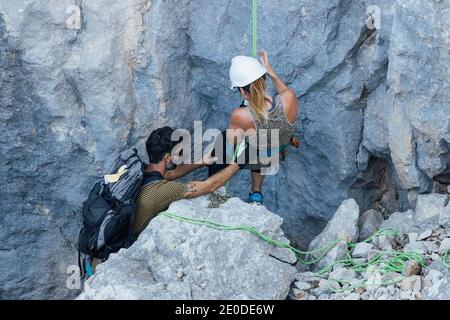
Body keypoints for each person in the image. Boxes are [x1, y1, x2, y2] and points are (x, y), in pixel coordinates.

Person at [133, 127, 244, 236]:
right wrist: (239, 162)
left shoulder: (140, 170)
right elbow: (210, 185)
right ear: (167, 158)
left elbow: (171, 174)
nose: (183, 155)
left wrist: (203, 161)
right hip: (133, 241)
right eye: (179, 152)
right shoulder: (164, 191)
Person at [226, 49, 299, 204]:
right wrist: (271, 72)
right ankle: (257, 192)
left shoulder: (240, 115)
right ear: (265, 79)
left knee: (226, 143)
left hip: (260, 153)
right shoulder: (289, 98)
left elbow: (232, 143)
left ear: (241, 91)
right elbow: (285, 91)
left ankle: (254, 193)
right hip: (281, 146)